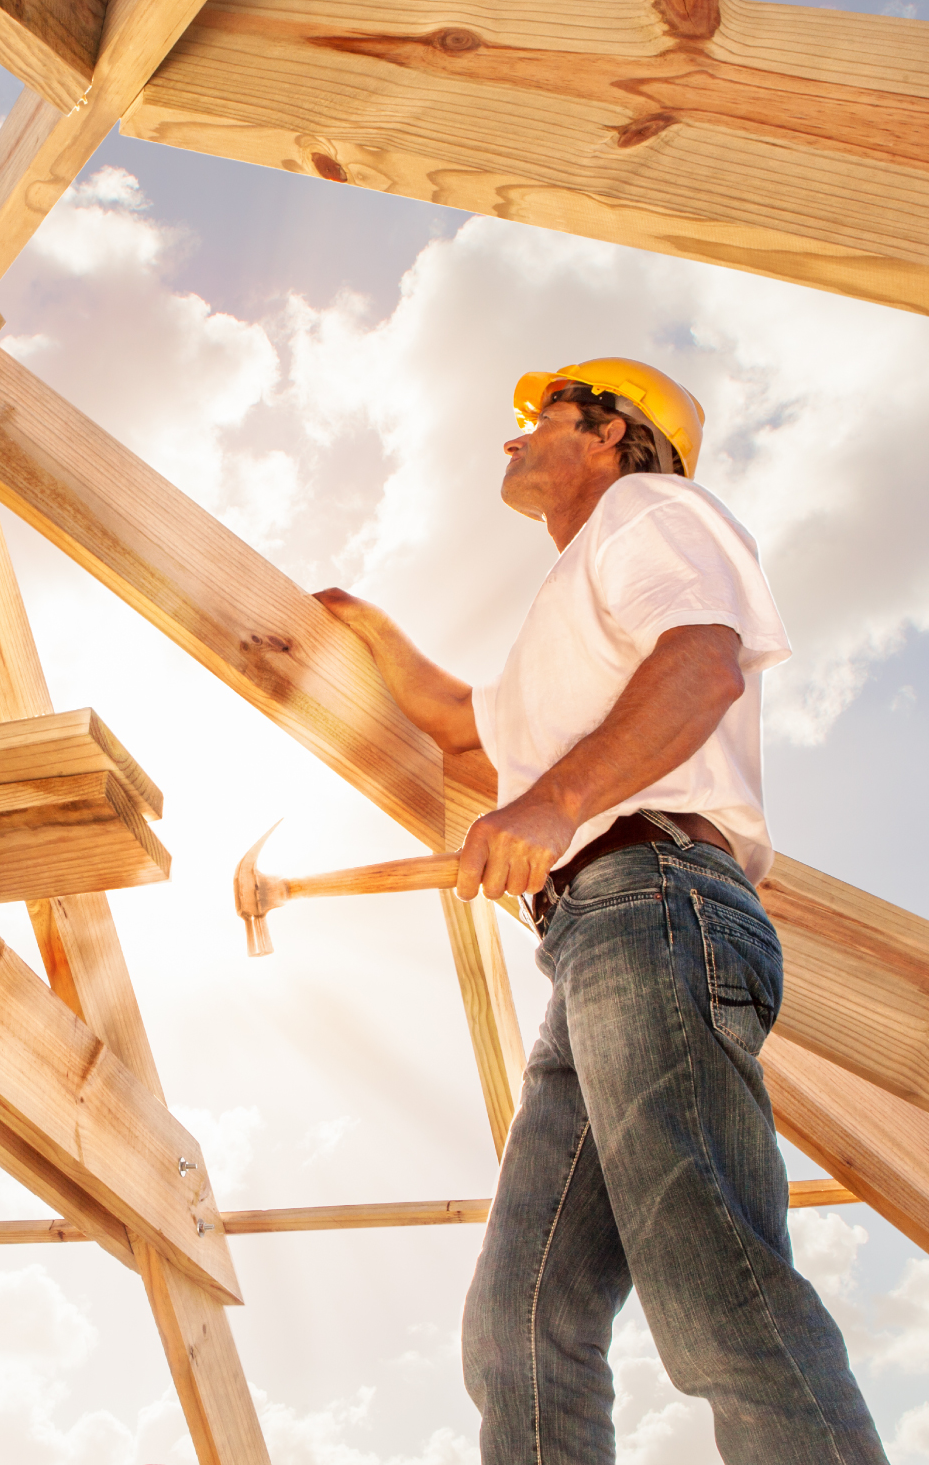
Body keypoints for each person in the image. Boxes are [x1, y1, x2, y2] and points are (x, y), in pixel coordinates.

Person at [315, 358, 886, 1465]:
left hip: (656, 902)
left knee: (713, 1282)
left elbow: (703, 663)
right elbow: (465, 729)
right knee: (522, 1326)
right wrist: (363, 627)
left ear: (611, 435)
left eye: (539, 417)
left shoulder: (649, 510)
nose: (511, 438)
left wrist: (555, 798)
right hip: (594, 941)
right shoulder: (573, 601)